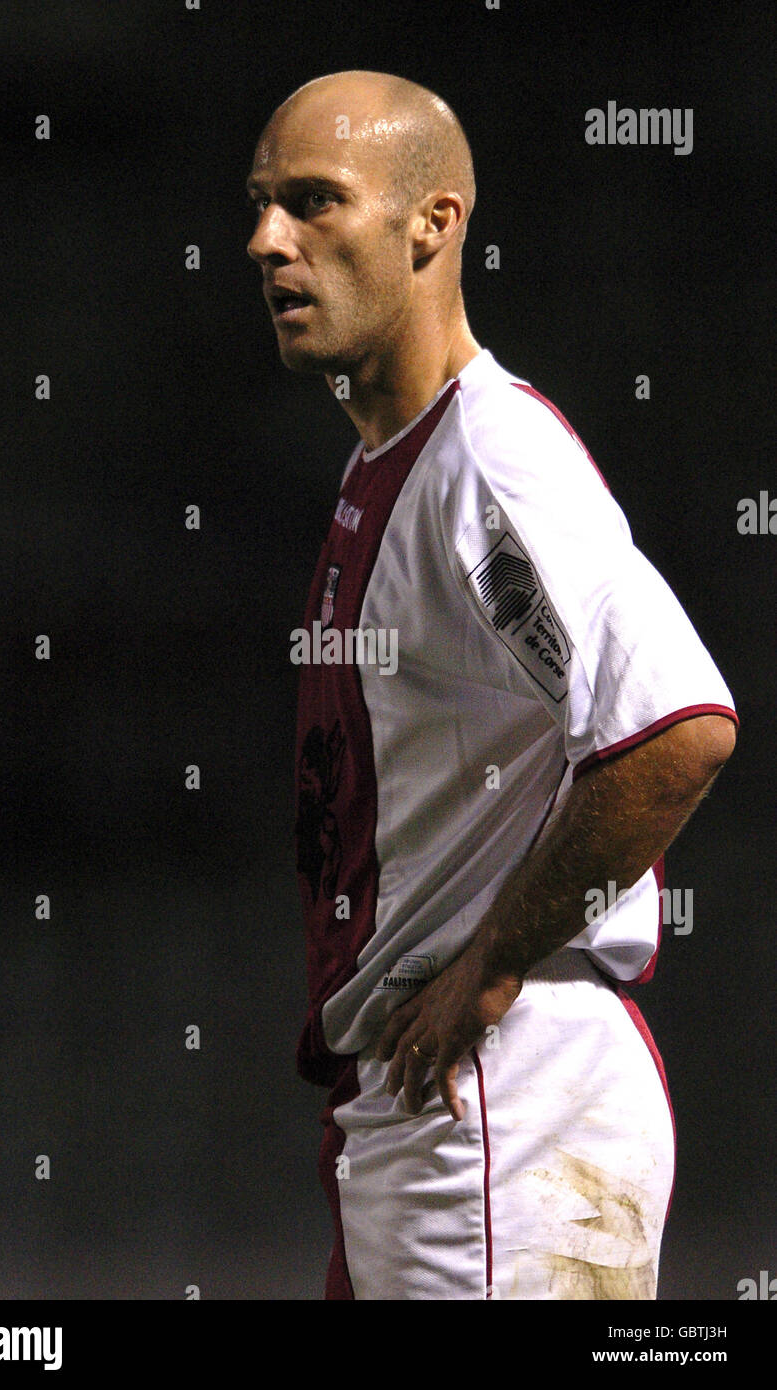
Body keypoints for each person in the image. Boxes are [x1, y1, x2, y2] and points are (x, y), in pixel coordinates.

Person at [246, 70, 738, 1300]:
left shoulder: (489, 458)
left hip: (498, 1103)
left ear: (433, 224)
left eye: (314, 202)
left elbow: (677, 727)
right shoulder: (391, 462)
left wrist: (491, 963)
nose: (267, 241)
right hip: (440, 1111)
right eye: (260, 206)